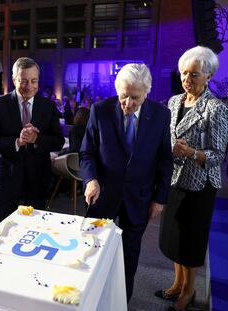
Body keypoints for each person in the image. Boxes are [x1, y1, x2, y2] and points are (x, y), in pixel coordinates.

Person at [79, 63, 173, 301]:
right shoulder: (99, 110)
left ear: (147, 92)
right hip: (102, 196)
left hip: (139, 198)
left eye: (135, 97)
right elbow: (87, 153)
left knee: (129, 258)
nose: (128, 103)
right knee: (93, 253)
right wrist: (91, 180)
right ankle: (91, 301)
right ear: (116, 90)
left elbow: (164, 159)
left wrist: (159, 198)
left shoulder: (161, 115)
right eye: (123, 96)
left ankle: (121, 302)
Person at [157, 46, 228, 311]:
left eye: (194, 74)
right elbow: (167, 138)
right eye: (184, 73)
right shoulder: (174, 101)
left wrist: (192, 152)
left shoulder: (217, 108)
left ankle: (189, 292)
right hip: (175, 180)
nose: (187, 79)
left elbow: (218, 155)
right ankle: (176, 284)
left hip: (199, 186)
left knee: (190, 242)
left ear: (208, 76)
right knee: (173, 238)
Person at [0, 57, 64, 226]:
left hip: (37, 177)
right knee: (2, 227)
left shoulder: (48, 106)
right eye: (24, 81)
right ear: (14, 80)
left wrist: (37, 139)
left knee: (33, 228)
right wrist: (17, 142)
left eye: (34, 81)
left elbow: (58, 141)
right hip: (7, 176)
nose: (29, 86)